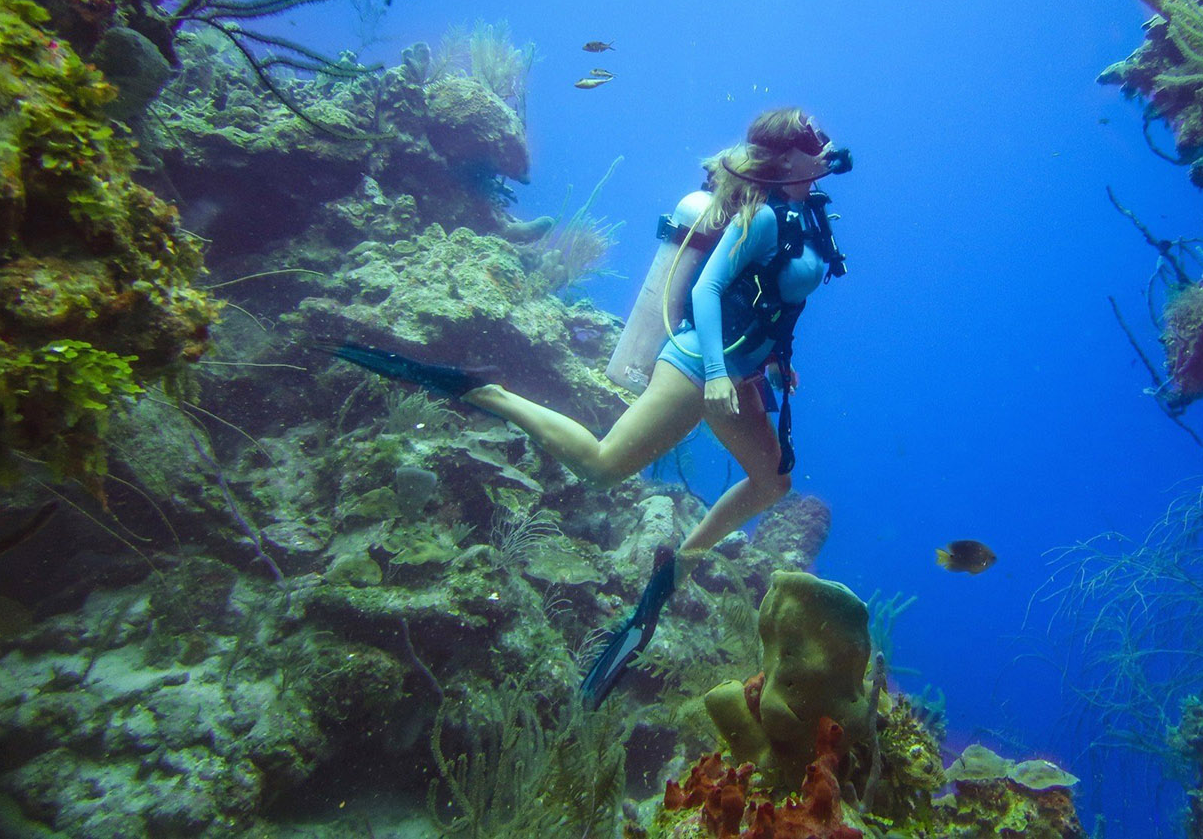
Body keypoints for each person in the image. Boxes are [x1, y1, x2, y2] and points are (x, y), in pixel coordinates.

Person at [324, 107, 851, 707]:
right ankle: (486, 393)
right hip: (696, 369)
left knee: (772, 481)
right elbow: (706, 291)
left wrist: (773, 361)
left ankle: (680, 562)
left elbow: (767, 297)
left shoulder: (806, 215)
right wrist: (711, 373)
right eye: (814, 140)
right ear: (785, 159)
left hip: (739, 373)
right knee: (601, 468)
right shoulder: (759, 218)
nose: (826, 145)